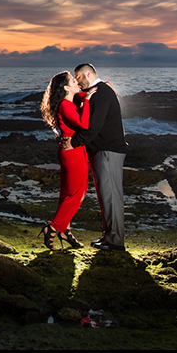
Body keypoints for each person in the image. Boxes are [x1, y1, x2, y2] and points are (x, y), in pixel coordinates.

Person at [61, 63, 128, 251]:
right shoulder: (100, 91)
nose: (77, 81)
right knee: (105, 195)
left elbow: (94, 126)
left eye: (78, 77)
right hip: (104, 150)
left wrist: (75, 142)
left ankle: (115, 240)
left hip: (108, 150)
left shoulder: (101, 93)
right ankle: (109, 236)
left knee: (111, 195)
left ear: (88, 74)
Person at [36, 71, 95, 250]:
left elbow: (82, 93)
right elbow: (84, 124)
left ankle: (65, 230)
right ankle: (53, 227)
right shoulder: (65, 105)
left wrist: (99, 88)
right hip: (72, 153)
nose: (77, 82)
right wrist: (88, 101)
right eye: (73, 80)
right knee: (76, 193)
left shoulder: (67, 102)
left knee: (68, 194)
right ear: (67, 88)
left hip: (73, 151)